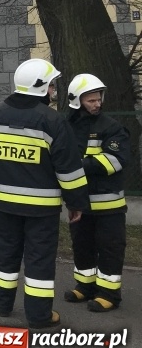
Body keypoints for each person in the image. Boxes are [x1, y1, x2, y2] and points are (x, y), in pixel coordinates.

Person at [0, 58, 89, 329]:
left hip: (4, 204)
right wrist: (76, 203)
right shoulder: (52, 121)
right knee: (39, 259)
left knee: (4, 253)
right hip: (42, 209)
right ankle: (39, 316)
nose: (53, 91)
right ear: (41, 87)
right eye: (51, 86)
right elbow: (69, 170)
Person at [64, 73, 129, 312]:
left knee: (110, 248)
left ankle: (109, 295)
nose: (97, 103)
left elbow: (116, 160)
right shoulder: (67, 126)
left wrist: (77, 165)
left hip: (108, 205)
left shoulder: (111, 127)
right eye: (91, 100)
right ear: (76, 100)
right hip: (79, 201)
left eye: (98, 99)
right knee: (82, 245)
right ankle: (85, 287)